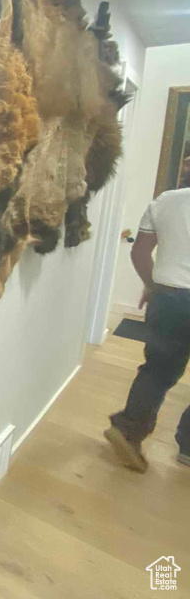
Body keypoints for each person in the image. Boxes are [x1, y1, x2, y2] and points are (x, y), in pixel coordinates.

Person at [105, 187, 190, 472]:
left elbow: (140, 252)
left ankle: (128, 430)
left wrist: (154, 288)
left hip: (169, 298)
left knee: (157, 370)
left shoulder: (167, 200)